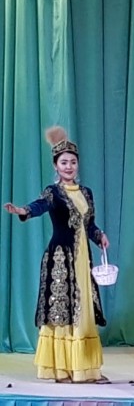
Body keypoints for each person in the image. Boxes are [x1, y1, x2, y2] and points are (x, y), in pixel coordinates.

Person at [3, 126, 110, 383]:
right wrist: (23, 210)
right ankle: (61, 369)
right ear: (56, 166)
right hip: (60, 258)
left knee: (83, 310)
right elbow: (40, 205)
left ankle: (86, 369)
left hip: (82, 260)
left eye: (73, 162)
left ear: (78, 164)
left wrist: (99, 236)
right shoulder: (53, 192)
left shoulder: (86, 192)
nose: (69, 166)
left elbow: (89, 225)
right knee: (62, 310)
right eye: (64, 162)